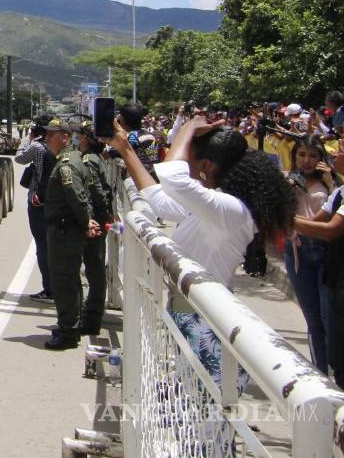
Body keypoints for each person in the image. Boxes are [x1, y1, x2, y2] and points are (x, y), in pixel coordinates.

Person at [114, 115, 295, 392]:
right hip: (192, 309)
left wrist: (186, 130)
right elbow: (160, 200)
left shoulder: (230, 209)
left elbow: (172, 180)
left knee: (204, 404)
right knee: (193, 399)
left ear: (206, 166)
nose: (187, 167)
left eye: (192, 162)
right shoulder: (217, 204)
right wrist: (125, 148)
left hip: (205, 317)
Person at [42, 125, 99, 349]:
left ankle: (67, 332)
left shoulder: (67, 164)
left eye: (51, 135)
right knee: (70, 280)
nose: (46, 138)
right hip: (68, 229)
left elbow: (76, 196)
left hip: (65, 231)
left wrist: (86, 222)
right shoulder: (74, 158)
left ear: (65, 138)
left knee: (63, 282)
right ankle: (70, 326)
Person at [284, 135, 335, 373]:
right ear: (294, 156)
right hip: (298, 252)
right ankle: (320, 372)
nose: (307, 161)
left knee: (329, 317)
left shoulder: (331, 184)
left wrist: (331, 181)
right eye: (302, 154)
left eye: (313, 155)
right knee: (313, 319)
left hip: (327, 252)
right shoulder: (285, 180)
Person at [15, 116, 69, 302]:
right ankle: (58, 288)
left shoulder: (37, 147)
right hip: (56, 201)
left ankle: (50, 289)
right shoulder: (64, 150)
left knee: (43, 246)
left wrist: (26, 141)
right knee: (54, 246)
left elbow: (19, 158)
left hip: (37, 200)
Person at [76, 121, 114, 337]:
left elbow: (95, 191)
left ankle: (91, 318)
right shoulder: (95, 157)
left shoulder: (89, 160)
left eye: (79, 135)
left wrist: (94, 218)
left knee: (94, 269)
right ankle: (90, 314)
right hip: (98, 218)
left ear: (84, 138)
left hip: (94, 221)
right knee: (94, 268)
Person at [119, 102, 158, 180]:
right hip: (153, 179)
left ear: (124, 120)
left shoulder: (129, 138)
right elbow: (153, 159)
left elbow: (106, 154)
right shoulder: (150, 136)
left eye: (120, 117)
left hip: (136, 182)